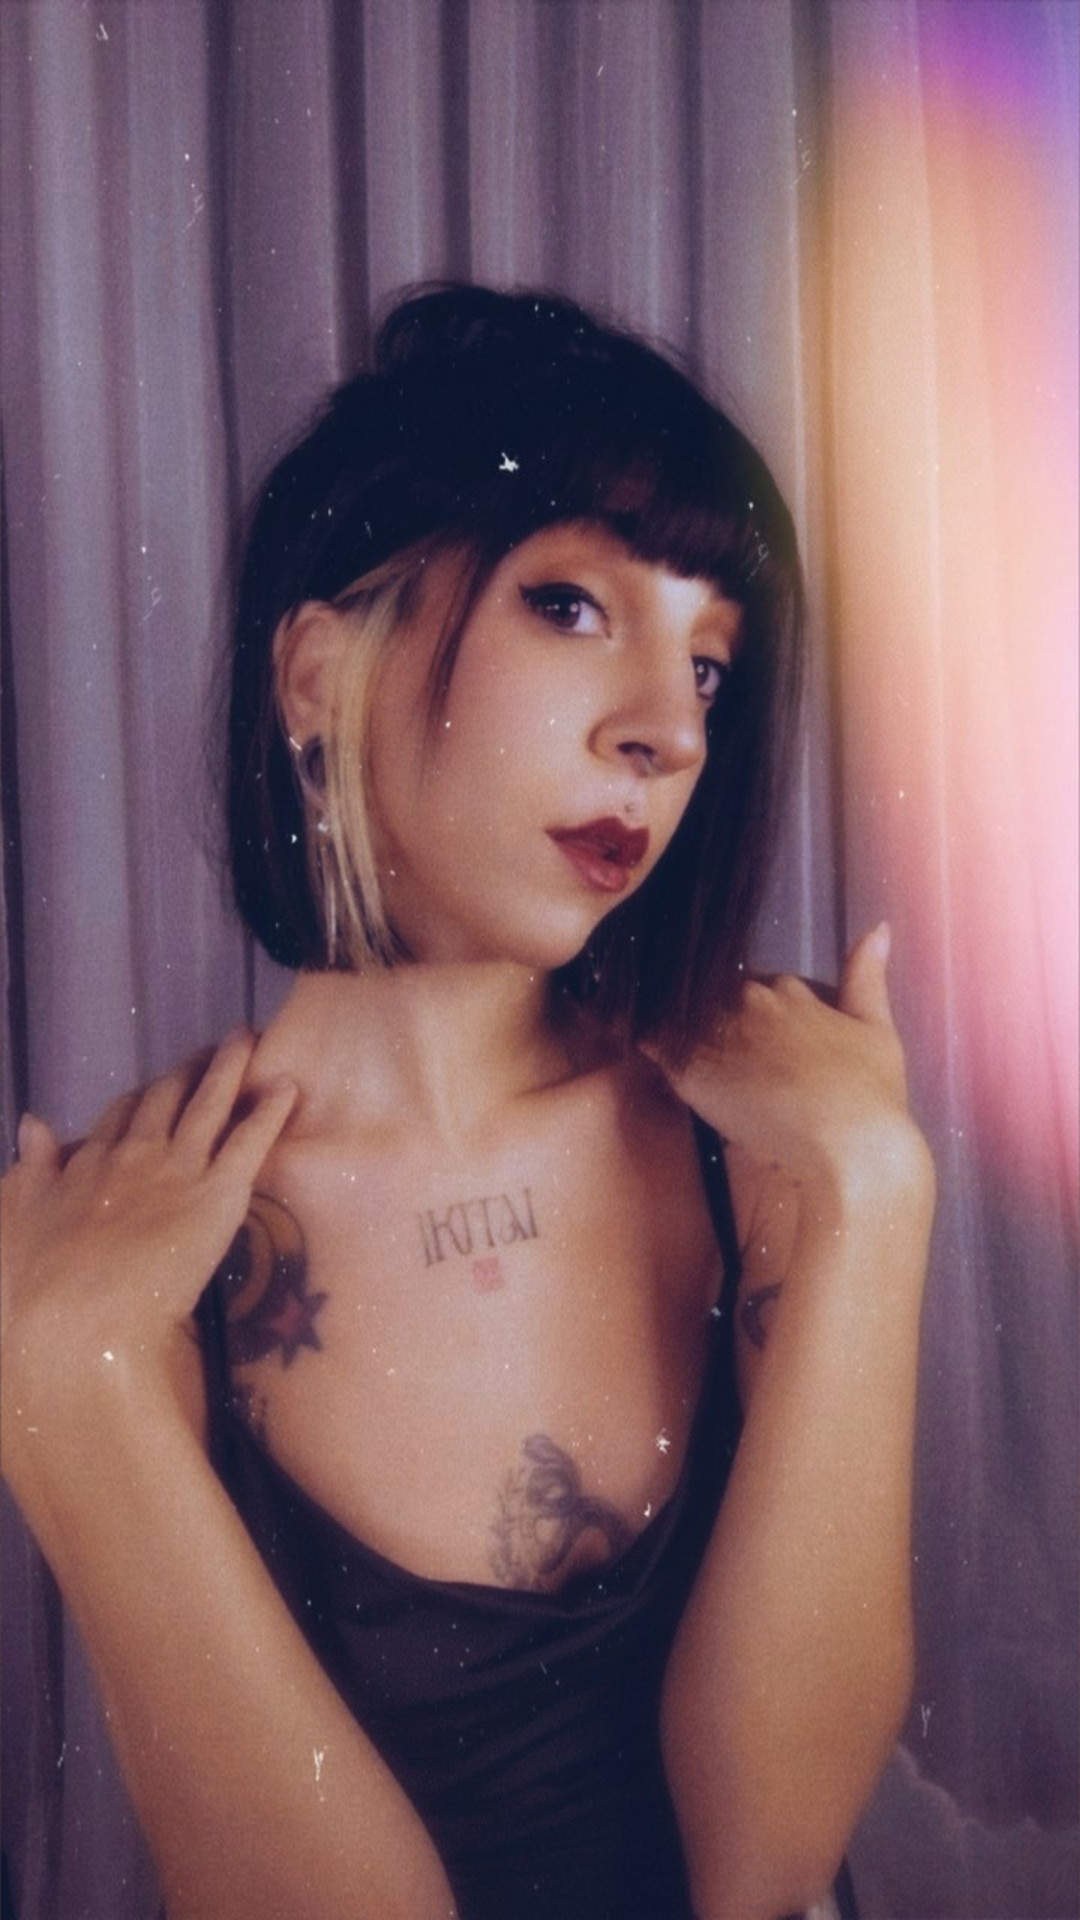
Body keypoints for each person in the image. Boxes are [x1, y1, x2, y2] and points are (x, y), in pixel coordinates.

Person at [1, 286, 935, 1920]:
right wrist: (62, 1390)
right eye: (570, 607)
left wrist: (876, 1187)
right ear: (318, 673)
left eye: (710, 667)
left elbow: (769, 1861)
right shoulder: (140, 1250)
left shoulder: (765, 1144)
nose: (666, 732)